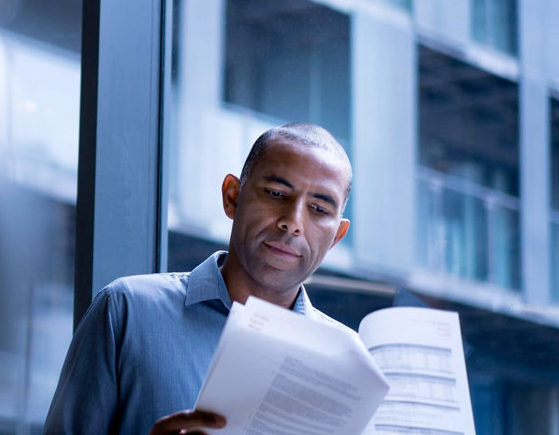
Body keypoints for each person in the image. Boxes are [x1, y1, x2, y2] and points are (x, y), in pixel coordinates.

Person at [43, 122, 353, 435]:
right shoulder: (128, 310)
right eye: (276, 193)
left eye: (318, 209)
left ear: (337, 236)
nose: (293, 222)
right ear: (232, 197)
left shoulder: (351, 361)